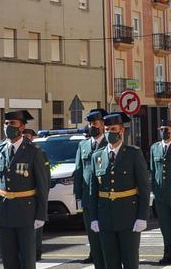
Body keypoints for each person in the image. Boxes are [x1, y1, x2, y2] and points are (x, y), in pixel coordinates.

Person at [91, 112, 151, 269]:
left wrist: (142, 217)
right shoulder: (97, 156)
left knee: (130, 261)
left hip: (128, 217)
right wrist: (94, 218)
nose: (110, 133)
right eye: (107, 129)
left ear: (121, 131)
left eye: (113, 129)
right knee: (110, 262)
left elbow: (144, 188)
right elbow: (93, 191)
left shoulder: (133, 154)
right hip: (105, 218)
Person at [0, 109, 49, 269]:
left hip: (26, 212)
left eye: (12, 123)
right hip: (4, 210)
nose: (7, 126)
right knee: (8, 258)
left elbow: (42, 186)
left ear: (22, 127)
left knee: (27, 258)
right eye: (6, 123)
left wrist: (41, 215)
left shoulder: (33, 152)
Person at [74, 109, 107, 266]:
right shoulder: (83, 145)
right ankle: (95, 257)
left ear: (102, 125)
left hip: (105, 198)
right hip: (88, 198)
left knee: (106, 237)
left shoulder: (110, 144)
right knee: (92, 235)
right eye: (90, 124)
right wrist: (78, 196)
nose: (91, 126)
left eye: (95, 123)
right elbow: (78, 171)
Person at [149, 119, 171, 265]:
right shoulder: (154, 148)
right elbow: (153, 170)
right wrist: (154, 192)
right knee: (165, 226)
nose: (164, 131)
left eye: (167, 129)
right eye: (162, 129)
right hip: (160, 194)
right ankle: (167, 253)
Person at [21, 127, 48, 261]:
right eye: (23, 135)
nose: (26, 138)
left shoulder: (39, 152)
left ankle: (37, 251)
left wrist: (43, 193)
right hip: (24, 197)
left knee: (37, 228)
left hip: (35, 195)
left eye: (28, 136)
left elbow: (45, 177)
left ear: (32, 138)